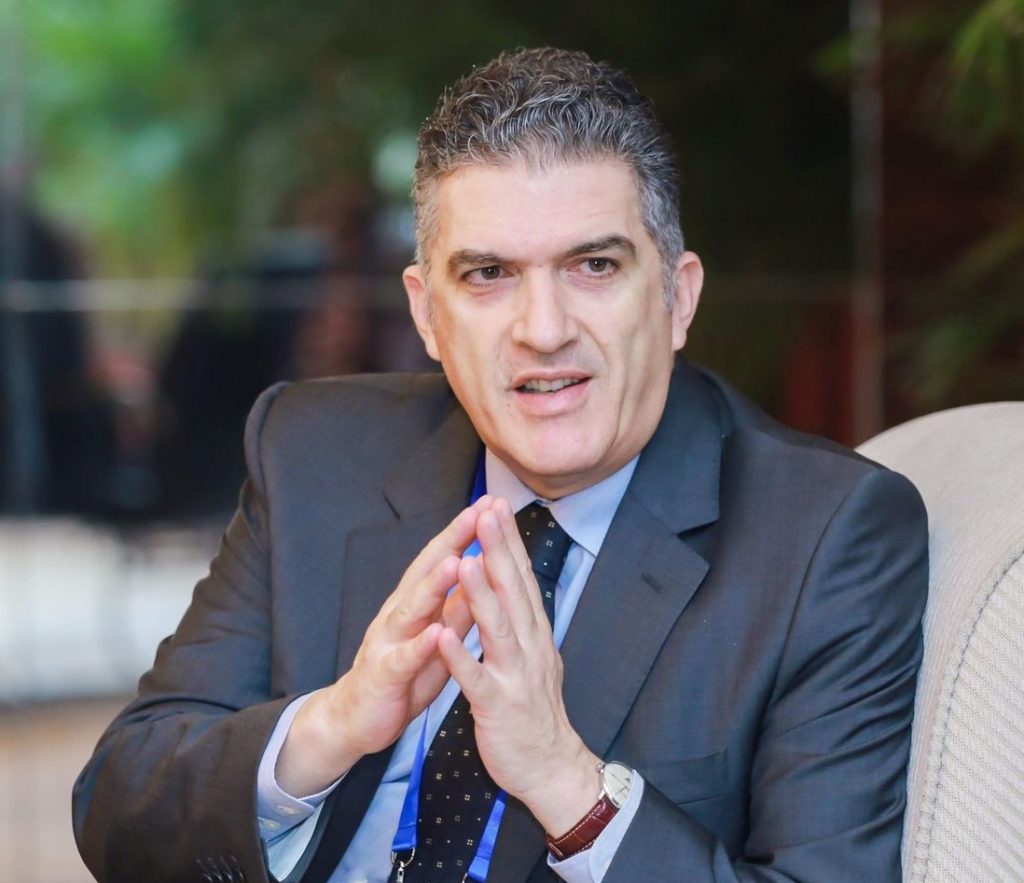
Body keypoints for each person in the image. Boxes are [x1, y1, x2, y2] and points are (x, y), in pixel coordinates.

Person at [73, 47, 928, 883]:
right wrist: (335, 723)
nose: (543, 330)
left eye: (594, 265)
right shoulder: (313, 455)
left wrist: (567, 782)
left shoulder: (823, 539)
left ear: (678, 296)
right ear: (427, 314)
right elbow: (120, 805)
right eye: (488, 274)